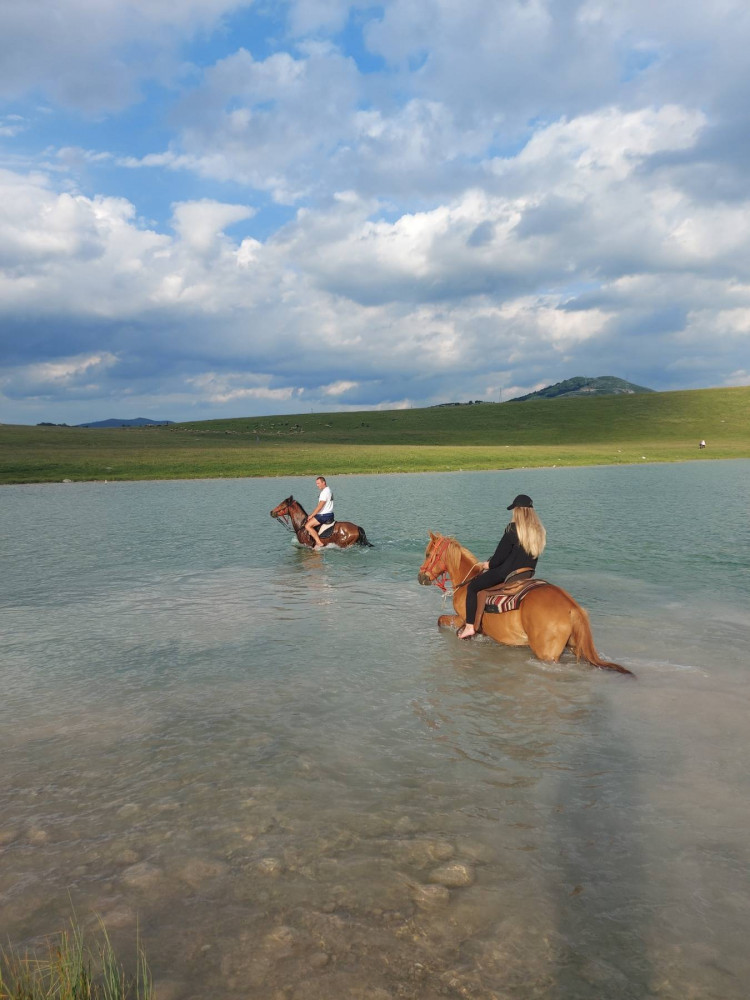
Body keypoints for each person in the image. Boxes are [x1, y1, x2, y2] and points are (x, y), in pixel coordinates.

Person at [456, 494, 547, 639]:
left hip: (506, 574)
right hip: (526, 574)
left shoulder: (512, 529)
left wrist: (488, 564)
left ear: (517, 511)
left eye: (514, 510)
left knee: (473, 587)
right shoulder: (539, 531)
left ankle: (469, 627)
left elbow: (499, 558)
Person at [305, 476, 335, 549]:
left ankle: (319, 542)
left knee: (307, 526)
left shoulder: (324, 492)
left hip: (324, 515)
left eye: (318, 483)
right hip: (330, 514)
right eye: (316, 483)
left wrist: (311, 515)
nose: (317, 485)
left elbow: (320, 506)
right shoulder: (329, 490)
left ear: (323, 482)